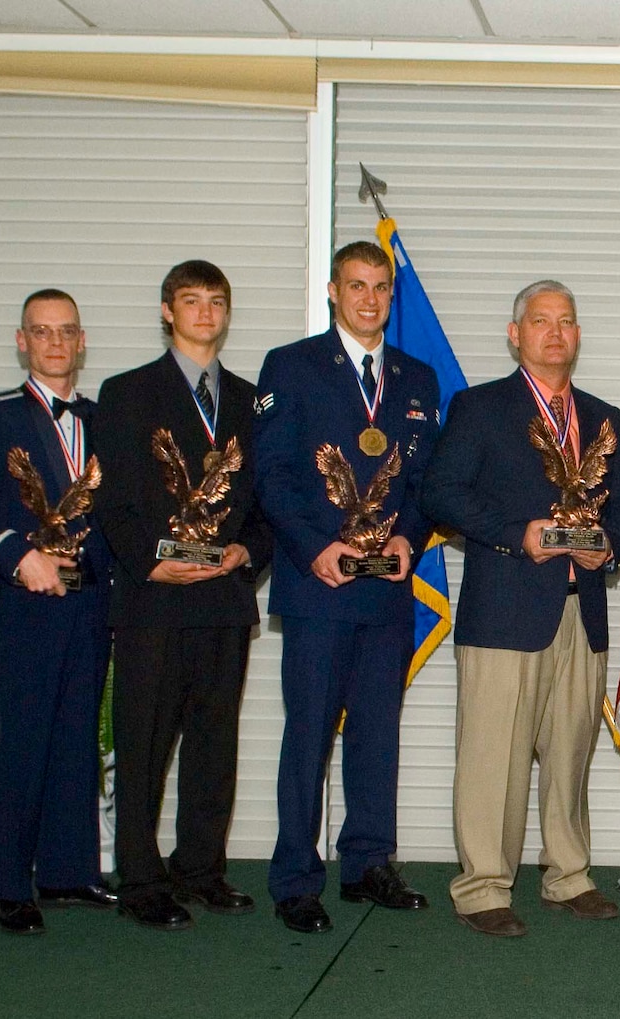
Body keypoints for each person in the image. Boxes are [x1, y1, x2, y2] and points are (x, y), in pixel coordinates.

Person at [421, 280, 620, 937]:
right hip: (505, 608)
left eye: (567, 321)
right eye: (541, 321)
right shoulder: (481, 407)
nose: (555, 332)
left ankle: (568, 876)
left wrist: (609, 540)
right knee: (493, 754)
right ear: (515, 333)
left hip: (582, 609)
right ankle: (483, 886)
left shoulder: (603, 416)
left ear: (578, 335)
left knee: (572, 751)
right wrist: (515, 532)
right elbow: (441, 491)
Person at [254, 240, 437, 935]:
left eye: (380, 287)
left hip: (384, 588)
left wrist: (406, 539)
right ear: (333, 290)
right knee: (307, 736)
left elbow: (424, 483)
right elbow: (273, 477)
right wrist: (314, 547)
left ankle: (366, 862)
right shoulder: (291, 367)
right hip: (320, 586)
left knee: (376, 734)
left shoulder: (416, 378)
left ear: (391, 295)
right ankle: (297, 878)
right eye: (356, 286)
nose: (369, 299)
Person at [91, 260, 272, 932]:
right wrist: (149, 563)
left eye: (216, 301)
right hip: (154, 601)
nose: (205, 312)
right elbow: (112, 500)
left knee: (213, 744)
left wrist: (248, 552)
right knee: (144, 743)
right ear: (167, 310)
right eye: (191, 301)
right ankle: (140, 879)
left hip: (223, 598)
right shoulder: (128, 392)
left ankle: (201, 869)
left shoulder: (254, 402)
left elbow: (266, 501)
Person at [0, 289, 119, 934]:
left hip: (90, 599)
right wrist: (18, 557)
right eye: (41, 331)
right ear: (22, 340)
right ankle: (9, 883)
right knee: (21, 739)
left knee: (77, 736)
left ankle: (70, 871)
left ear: (81, 341)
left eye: (65, 331)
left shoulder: (103, 419)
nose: (54, 343)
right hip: (29, 598)